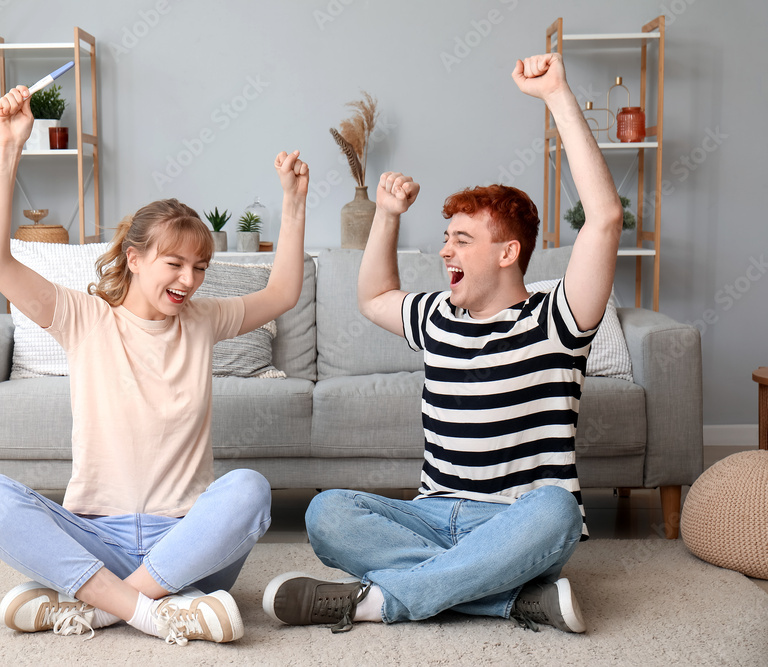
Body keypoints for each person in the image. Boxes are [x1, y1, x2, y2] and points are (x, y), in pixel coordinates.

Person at [263, 53, 624, 634]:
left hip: (517, 520)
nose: (446, 252)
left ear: (508, 254)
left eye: (461, 239)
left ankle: (378, 601)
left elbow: (604, 218)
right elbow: (374, 296)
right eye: (446, 238)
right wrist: (386, 214)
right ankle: (504, 597)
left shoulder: (556, 317)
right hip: (430, 515)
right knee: (327, 511)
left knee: (558, 509)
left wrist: (557, 95)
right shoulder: (437, 316)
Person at [0, 83, 309, 646]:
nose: (189, 280)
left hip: (186, 542)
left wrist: (293, 204)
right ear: (134, 257)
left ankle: (97, 605)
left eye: (199, 267)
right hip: (95, 535)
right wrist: (7, 150)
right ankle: (159, 609)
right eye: (174, 263)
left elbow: (282, 293)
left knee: (249, 489)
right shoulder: (84, 318)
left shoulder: (203, 320)